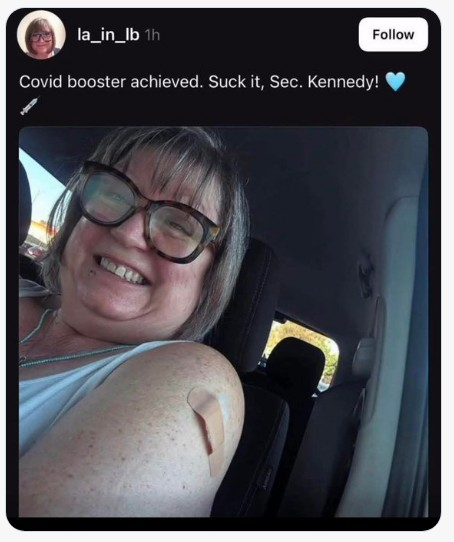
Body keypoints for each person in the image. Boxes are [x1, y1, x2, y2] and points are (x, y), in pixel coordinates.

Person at [19, 127, 250, 517]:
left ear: (211, 279)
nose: (127, 234)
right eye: (114, 193)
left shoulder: (194, 379)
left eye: (179, 225)